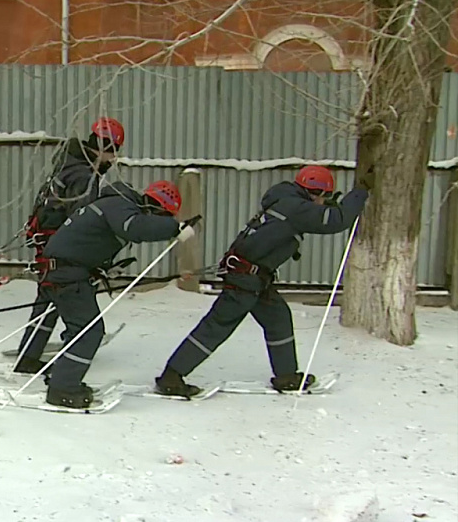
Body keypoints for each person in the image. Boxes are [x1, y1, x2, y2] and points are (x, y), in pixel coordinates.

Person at [154, 165, 373, 397]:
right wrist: (360, 191)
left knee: (278, 318)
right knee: (217, 326)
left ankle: (287, 376)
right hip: (246, 278)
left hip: (256, 277)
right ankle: (172, 376)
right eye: (325, 196)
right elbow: (336, 221)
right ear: (317, 192)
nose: (324, 202)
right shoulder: (296, 207)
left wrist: (329, 205)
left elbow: (313, 215)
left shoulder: (287, 201)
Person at [21, 179, 199, 409]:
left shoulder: (115, 204)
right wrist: (174, 228)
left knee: (77, 328)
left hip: (61, 270)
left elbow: (90, 241)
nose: (159, 221)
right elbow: (135, 228)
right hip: (66, 274)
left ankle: (58, 376)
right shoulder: (121, 206)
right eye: (162, 217)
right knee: (88, 332)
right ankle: (63, 389)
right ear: (156, 206)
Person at [13, 117, 125, 366]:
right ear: (107, 148)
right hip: (63, 251)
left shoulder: (68, 165)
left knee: (48, 298)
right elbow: (82, 221)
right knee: (74, 299)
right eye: (113, 153)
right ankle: (74, 352)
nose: (113, 161)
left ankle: (29, 355)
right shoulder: (84, 176)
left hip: (47, 243)